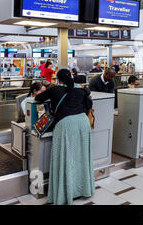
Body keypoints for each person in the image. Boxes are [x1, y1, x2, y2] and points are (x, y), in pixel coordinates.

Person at [35, 69, 94, 205]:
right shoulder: (82, 89)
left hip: (66, 124)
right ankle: (84, 188)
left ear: (58, 79)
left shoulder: (54, 89)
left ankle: (66, 191)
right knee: (82, 157)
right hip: (83, 123)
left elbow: (38, 98)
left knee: (66, 157)